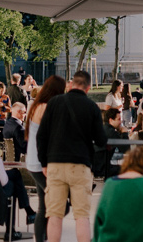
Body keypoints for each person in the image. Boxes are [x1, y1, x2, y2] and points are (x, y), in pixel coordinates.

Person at [37, 70, 106, 242]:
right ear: (88, 88)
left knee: (54, 215)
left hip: (54, 164)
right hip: (80, 165)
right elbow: (101, 140)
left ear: (70, 84)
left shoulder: (54, 103)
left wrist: (44, 163)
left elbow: (41, 135)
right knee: (81, 216)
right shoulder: (91, 107)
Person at [26, 75, 67, 242]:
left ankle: (41, 239)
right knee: (59, 205)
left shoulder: (36, 105)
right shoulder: (45, 108)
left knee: (45, 206)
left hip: (34, 161)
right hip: (41, 163)